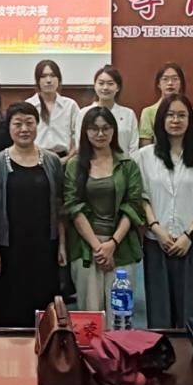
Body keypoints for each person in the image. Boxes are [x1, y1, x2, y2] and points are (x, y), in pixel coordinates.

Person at [134, 95, 193, 326]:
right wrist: (157, 230)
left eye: (182, 115)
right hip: (158, 243)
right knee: (160, 313)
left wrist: (188, 236)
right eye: (170, 115)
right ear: (161, 120)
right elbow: (140, 198)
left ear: (190, 121)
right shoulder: (144, 156)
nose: (176, 120)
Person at [0, 102, 66, 327]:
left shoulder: (52, 161)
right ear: (9, 127)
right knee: (9, 307)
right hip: (9, 248)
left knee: (43, 309)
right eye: (17, 124)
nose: (24, 129)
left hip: (44, 247)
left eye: (29, 123)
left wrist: (62, 244)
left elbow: (59, 206)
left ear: (38, 125)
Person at [63, 107, 144, 316]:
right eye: (94, 129)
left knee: (119, 313)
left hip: (121, 245)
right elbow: (73, 207)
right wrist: (98, 247)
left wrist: (112, 244)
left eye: (106, 128)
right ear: (85, 131)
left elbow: (133, 206)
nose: (100, 134)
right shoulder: (74, 165)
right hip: (86, 247)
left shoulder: (127, 164)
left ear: (114, 130)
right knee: (90, 313)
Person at [138, 62, 193, 147]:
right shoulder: (148, 112)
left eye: (175, 79)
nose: (170, 83)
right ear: (158, 84)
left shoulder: (192, 112)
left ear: (181, 83)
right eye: (165, 79)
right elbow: (145, 146)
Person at [78, 65, 139, 156]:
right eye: (101, 83)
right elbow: (80, 144)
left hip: (124, 163)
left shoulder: (128, 114)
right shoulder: (83, 113)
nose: (105, 87)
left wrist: (129, 164)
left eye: (110, 83)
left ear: (118, 87)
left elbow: (133, 148)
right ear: (95, 86)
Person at [27, 59, 79, 156]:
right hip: (35, 157)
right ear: (37, 81)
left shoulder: (70, 105)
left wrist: (68, 158)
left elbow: (78, 135)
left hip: (64, 157)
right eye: (43, 76)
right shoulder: (29, 105)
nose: (48, 80)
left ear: (59, 79)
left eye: (52, 75)